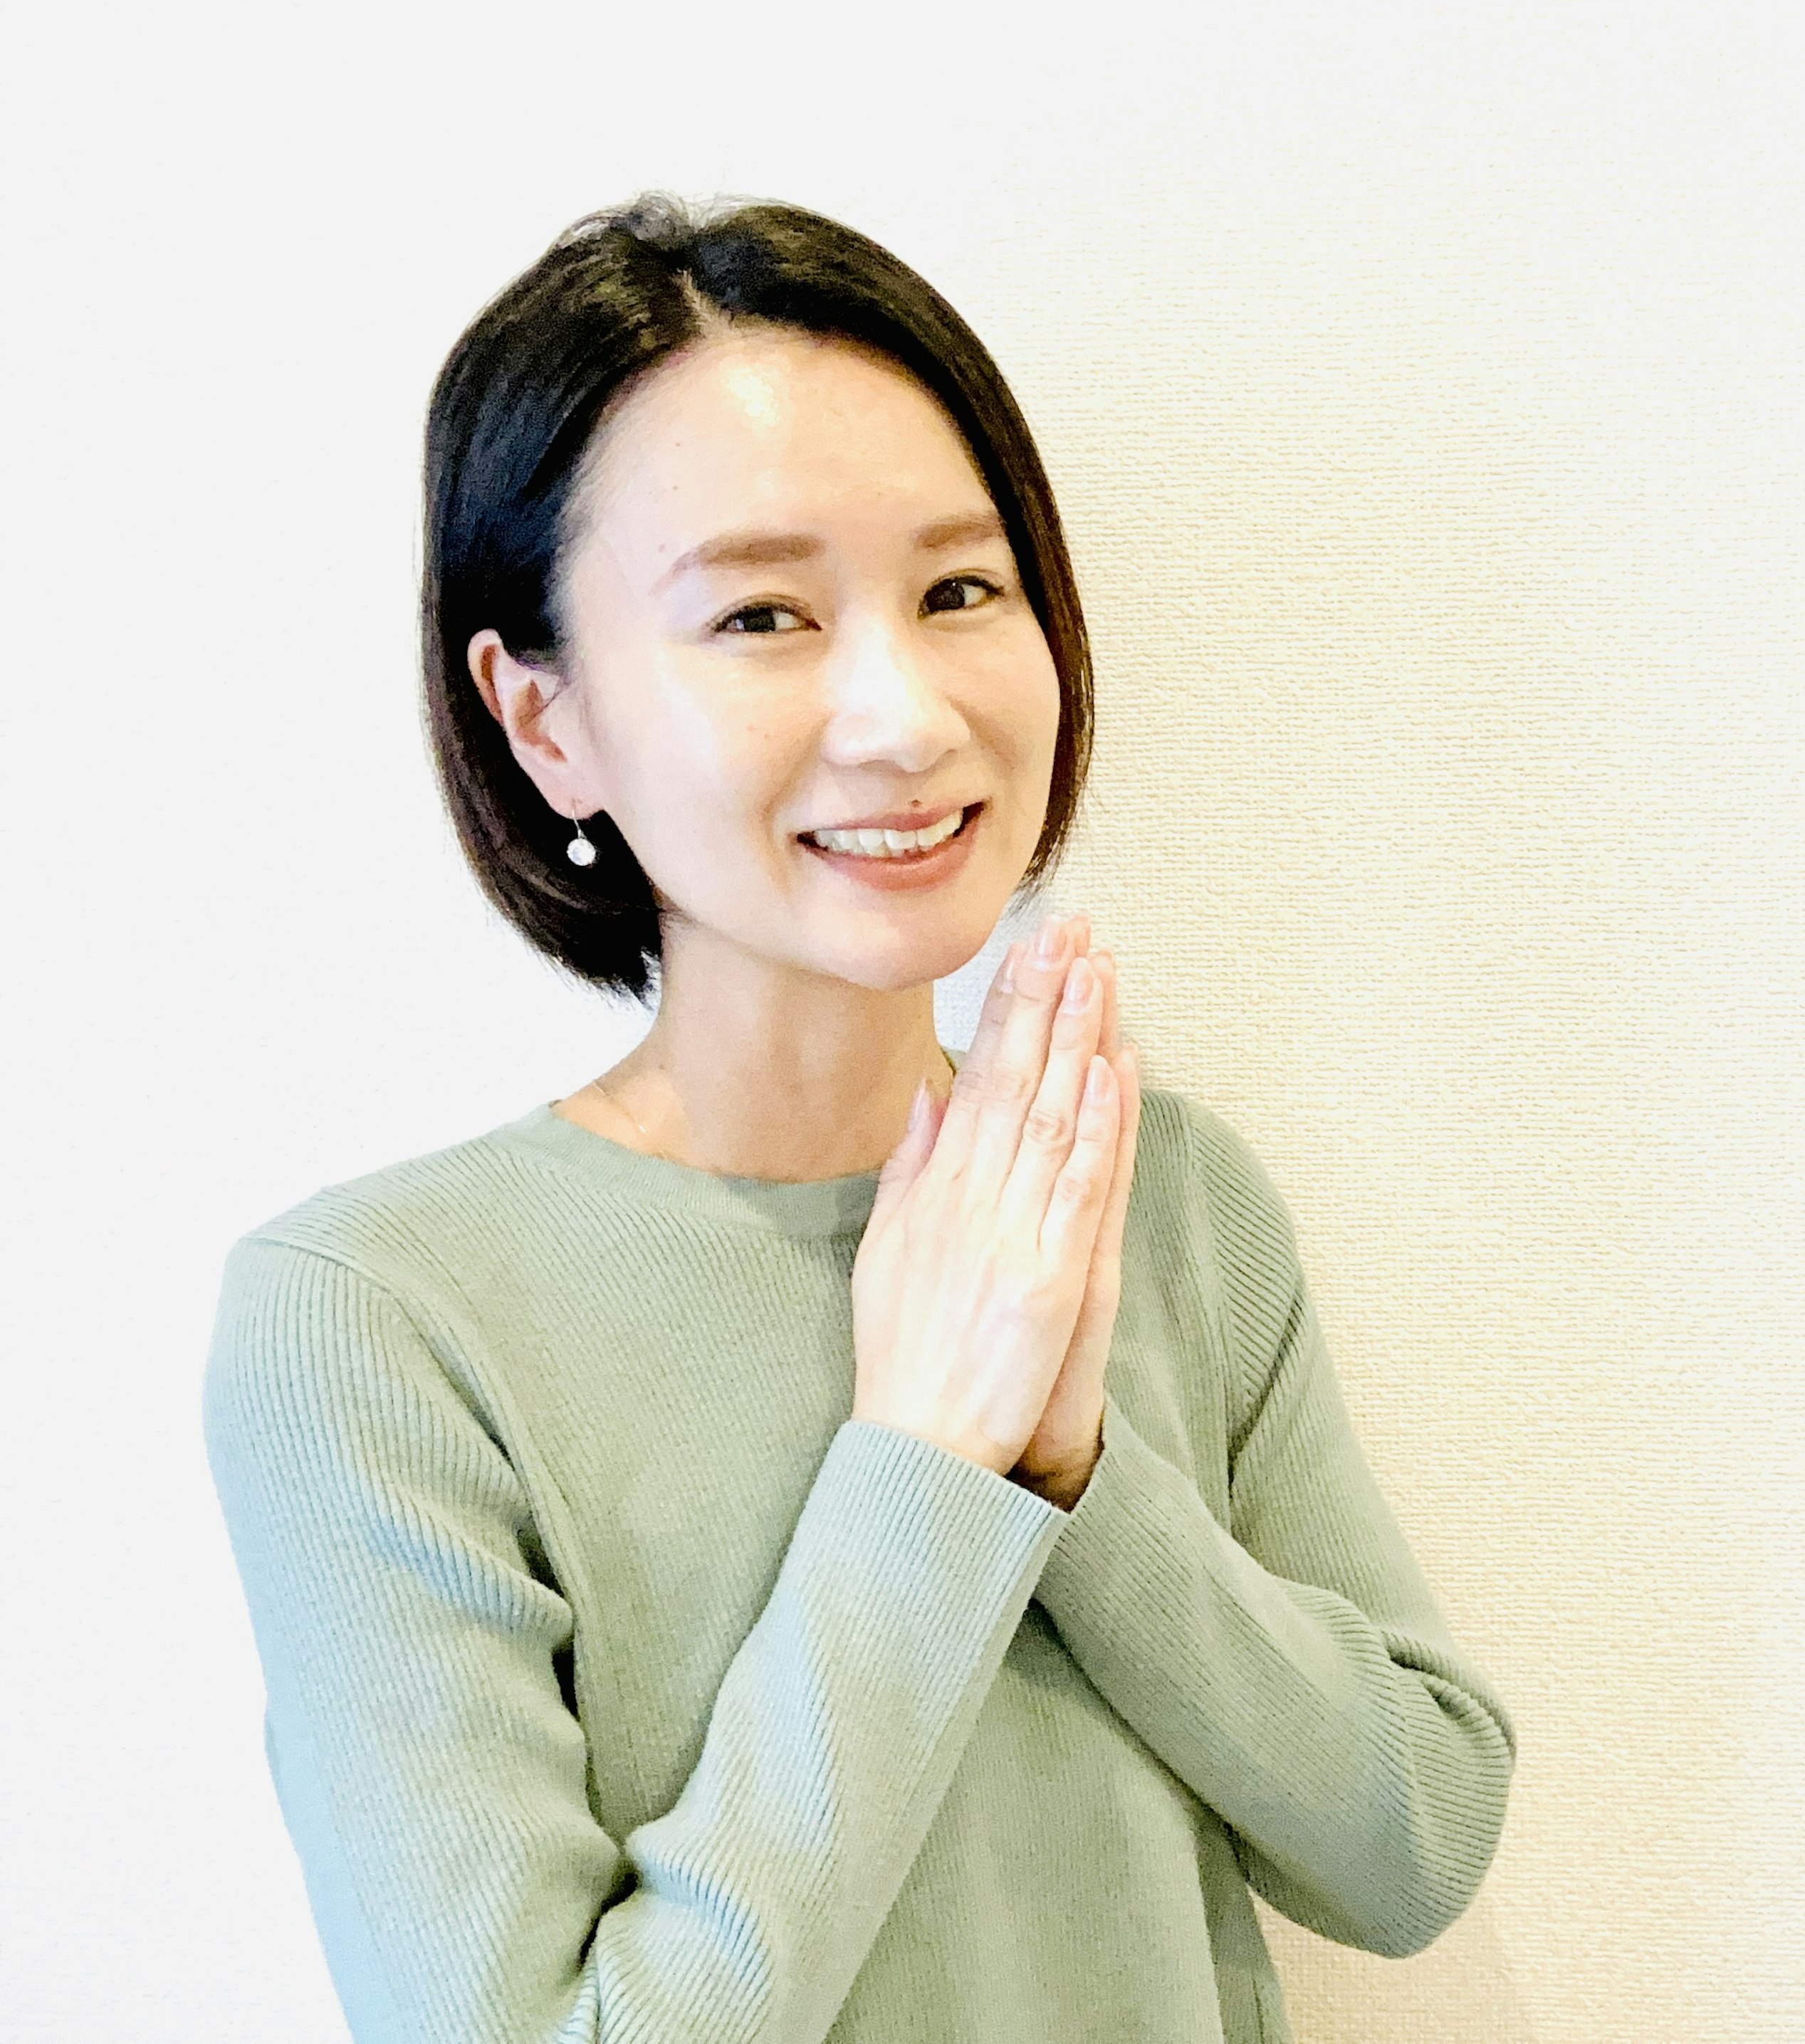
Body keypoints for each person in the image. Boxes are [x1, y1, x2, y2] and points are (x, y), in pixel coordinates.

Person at [201, 194, 1517, 2044]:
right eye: (759, 614)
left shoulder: (1159, 1196)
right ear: (544, 717)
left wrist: (1078, 1472)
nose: (901, 714)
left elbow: (1416, 1839)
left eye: (961, 590)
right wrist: (924, 1475)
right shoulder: (373, 1319)